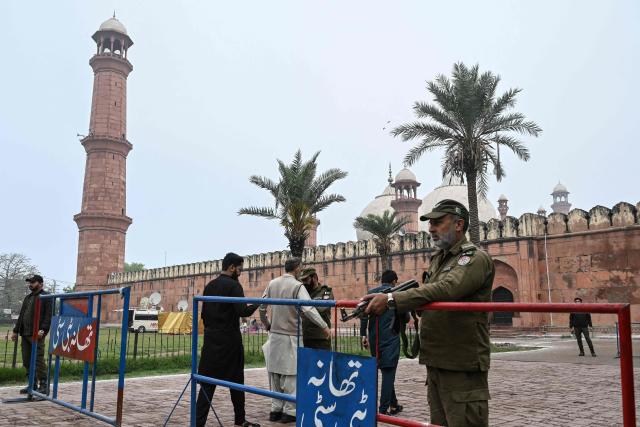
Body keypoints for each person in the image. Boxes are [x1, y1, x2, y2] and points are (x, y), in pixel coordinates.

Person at [362, 199, 495, 427]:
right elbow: (430, 294)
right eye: (429, 223)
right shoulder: (439, 260)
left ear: (459, 224)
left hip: (461, 362)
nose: (431, 228)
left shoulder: (473, 258)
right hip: (437, 361)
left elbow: (447, 288)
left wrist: (393, 299)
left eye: (438, 222)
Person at [259, 258, 331, 424]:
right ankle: (289, 412)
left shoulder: (272, 283)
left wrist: (267, 323)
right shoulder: (297, 286)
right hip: (291, 336)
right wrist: (324, 326)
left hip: (275, 335)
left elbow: (262, 306)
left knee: (275, 374)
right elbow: (309, 308)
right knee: (291, 376)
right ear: (297, 268)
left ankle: (275, 409)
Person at [196, 252, 261, 427]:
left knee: (207, 385)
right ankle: (240, 421)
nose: (240, 273)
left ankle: (197, 423)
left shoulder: (210, 286)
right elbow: (243, 312)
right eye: (239, 269)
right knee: (237, 384)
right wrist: (260, 303)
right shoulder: (234, 287)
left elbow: (204, 316)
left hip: (211, 341)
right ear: (232, 267)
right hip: (230, 342)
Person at [360, 269, 403, 415]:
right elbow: (407, 318)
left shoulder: (372, 293)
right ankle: (383, 410)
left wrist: (363, 335)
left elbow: (363, 315)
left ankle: (394, 404)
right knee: (388, 372)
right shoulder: (396, 293)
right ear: (393, 281)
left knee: (385, 370)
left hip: (374, 338)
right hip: (390, 338)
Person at [11, 274, 52, 395]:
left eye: (33, 282)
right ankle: (32, 384)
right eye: (29, 282)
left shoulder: (46, 297)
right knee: (27, 360)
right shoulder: (28, 298)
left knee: (38, 360)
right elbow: (22, 316)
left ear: (40, 283)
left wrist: (43, 330)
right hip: (25, 333)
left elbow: (48, 316)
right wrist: (15, 331)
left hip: (37, 334)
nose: (30, 285)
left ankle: (44, 386)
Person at [300, 267, 334, 350]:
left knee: (323, 362)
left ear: (314, 278)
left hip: (320, 337)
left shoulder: (325, 291)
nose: (304, 283)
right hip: (305, 336)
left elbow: (323, 308)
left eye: (306, 280)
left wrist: (306, 309)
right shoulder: (302, 293)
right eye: (302, 280)